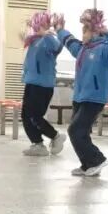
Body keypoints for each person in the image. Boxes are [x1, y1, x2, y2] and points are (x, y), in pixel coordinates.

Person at [59, 9, 108, 176]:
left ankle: (97, 160)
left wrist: (107, 31)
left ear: (95, 32)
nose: (82, 35)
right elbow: (69, 42)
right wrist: (60, 30)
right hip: (80, 97)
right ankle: (87, 165)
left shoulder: (105, 49)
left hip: (94, 98)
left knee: (75, 130)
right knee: (82, 133)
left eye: (85, 31)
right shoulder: (83, 49)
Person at [20, 15, 66, 156]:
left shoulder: (49, 38)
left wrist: (47, 33)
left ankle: (55, 136)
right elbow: (23, 35)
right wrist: (29, 26)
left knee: (35, 115)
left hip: (42, 85)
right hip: (31, 82)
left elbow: (57, 47)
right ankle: (38, 144)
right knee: (26, 115)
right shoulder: (35, 40)